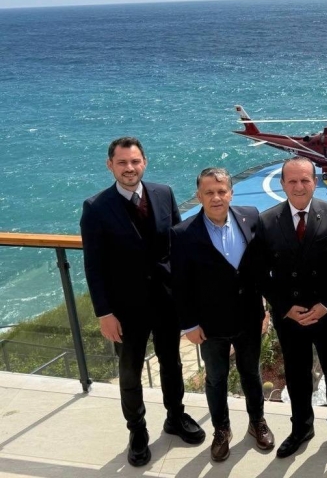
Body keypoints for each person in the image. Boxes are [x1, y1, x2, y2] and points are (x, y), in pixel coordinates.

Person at [80, 137, 204, 467]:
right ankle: (137, 430)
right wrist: (104, 312)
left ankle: (175, 417)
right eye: (122, 162)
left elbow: (177, 244)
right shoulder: (95, 207)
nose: (129, 168)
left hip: (166, 301)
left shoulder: (163, 193)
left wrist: (186, 294)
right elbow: (93, 265)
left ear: (144, 162)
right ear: (110, 165)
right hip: (125, 309)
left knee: (172, 364)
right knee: (130, 372)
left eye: (135, 161)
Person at [254, 156, 327, 459]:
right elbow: (259, 272)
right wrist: (285, 307)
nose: (299, 186)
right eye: (292, 181)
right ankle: (301, 428)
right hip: (291, 317)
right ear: (282, 184)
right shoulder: (267, 220)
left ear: (315, 182)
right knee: (296, 375)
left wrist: (326, 304)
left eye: (305, 180)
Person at [170, 167, 275, 462]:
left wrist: (265, 308)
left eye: (221, 191)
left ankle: (257, 422)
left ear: (231, 193)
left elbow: (260, 268)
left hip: (248, 318)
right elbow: (180, 284)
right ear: (198, 196)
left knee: (251, 373)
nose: (216, 198)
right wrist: (189, 324)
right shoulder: (182, 234)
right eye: (209, 192)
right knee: (216, 379)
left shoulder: (251, 217)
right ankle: (221, 430)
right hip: (210, 324)